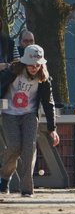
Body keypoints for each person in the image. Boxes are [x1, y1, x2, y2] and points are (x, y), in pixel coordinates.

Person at [0, 45, 59, 197]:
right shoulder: (12, 72)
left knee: (29, 149)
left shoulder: (44, 78)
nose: (34, 68)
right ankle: (5, 178)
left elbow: (48, 103)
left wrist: (52, 129)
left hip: (30, 115)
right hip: (9, 113)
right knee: (14, 147)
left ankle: (26, 189)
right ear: (25, 62)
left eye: (38, 65)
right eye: (31, 65)